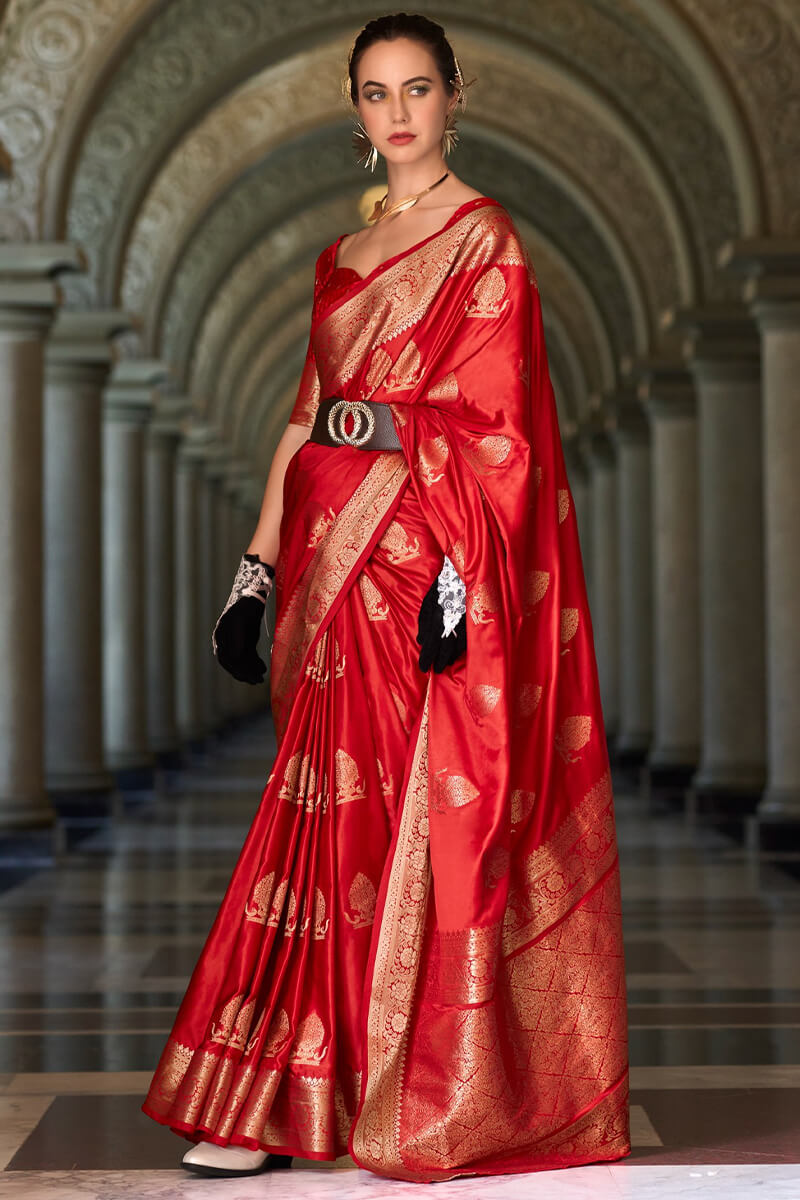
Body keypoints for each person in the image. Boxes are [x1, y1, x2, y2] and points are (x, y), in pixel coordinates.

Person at [141, 11, 631, 1183]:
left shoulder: (483, 243)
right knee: (312, 818)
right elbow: (305, 417)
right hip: (324, 562)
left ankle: (393, 1092)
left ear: (455, 96)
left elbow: (496, 434)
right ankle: (275, 1095)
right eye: (375, 92)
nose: (398, 111)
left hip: (420, 564)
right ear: (353, 110)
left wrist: (458, 577)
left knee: (396, 827)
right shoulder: (340, 260)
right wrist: (255, 572)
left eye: (417, 88)